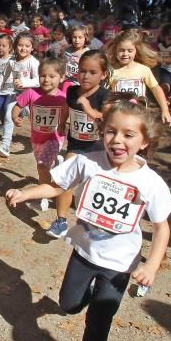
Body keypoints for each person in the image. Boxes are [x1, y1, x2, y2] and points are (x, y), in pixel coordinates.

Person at [5, 99, 171, 341]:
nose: (117, 141)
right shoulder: (88, 162)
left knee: (99, 318)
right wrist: (26, 193)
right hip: (84, 251)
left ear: (145, 141)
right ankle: (81, 303)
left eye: (128, 135)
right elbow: (55, 188)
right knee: (69, 304)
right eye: (111, 132)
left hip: (120, 263)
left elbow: (162, 229)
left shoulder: (151, 183)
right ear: (102, 132)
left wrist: (151, 265)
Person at [47, 50, 111, 239]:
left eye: (93, 72)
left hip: (99, 148)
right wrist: (61, 123)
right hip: (76, 144)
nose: (86, 76)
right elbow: (67, 108)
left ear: (104, 74)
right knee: (65, 179)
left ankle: (99, 224)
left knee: (98, 187)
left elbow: (106, 118)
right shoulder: (72, 90)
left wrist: (88, 108)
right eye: (83, 71)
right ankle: (61, 221)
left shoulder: (105, 95)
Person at [11, 59, 69, 212]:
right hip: (37, 139)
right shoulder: (31, 93)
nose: (46, 80)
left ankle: (42, 197)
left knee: (42, 166)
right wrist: (15, 116)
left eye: (52, 76)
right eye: (43, 75)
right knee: (42, 166)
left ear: (61, 77)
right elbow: (18, 106)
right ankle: (56, 164)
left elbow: (66, 113)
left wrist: (63, 125)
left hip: (54, 138)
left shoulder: (63, 98)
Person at [105, 29, 171, 125]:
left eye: (130, 51)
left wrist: (165, 111)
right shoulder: (111, 71)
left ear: (136, 51)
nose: (125, 54)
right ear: (115, 50)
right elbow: (104, 94)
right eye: (121, 50)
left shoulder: (143, 70)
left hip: (139, 116)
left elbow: (156, 89)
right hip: (118, 116)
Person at [0, 32, 40, 157]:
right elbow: (4, 76)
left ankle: (45, 144)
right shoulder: (12, 61)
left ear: (32, 48)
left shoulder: (33, 62)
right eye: (20, 45)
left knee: (37, 122)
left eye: (27, 46)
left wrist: (24, 82)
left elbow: (38, 80)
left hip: (33, 96)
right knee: (9, 115)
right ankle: (5, 146)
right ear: (15, 46)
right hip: (17, 95)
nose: (23, 48)